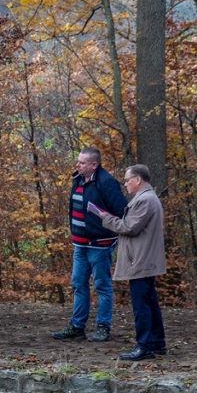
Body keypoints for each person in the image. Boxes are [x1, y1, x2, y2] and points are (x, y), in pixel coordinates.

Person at [88, 164, 167, 361]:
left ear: (138, 180)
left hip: (140, 260)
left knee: (142, 305)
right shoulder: (146, 198)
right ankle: (157, 343)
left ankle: (145, 346)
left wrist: (105, 218)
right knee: (149, 303)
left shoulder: (145, 200)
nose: (125, 184)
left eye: (127, 180)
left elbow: (130, 227)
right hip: (143, 258)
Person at [52, 147, 129, 343]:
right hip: (80, 244)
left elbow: (122, 212)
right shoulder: (78, 179)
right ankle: (77, 326)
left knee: (102, 286)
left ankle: (103, 327)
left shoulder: (106, 182)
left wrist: (103, 225)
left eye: (82, 163)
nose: (78, 165)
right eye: (78, 161)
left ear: (94, 164)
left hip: (100, 245)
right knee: (78, 284)